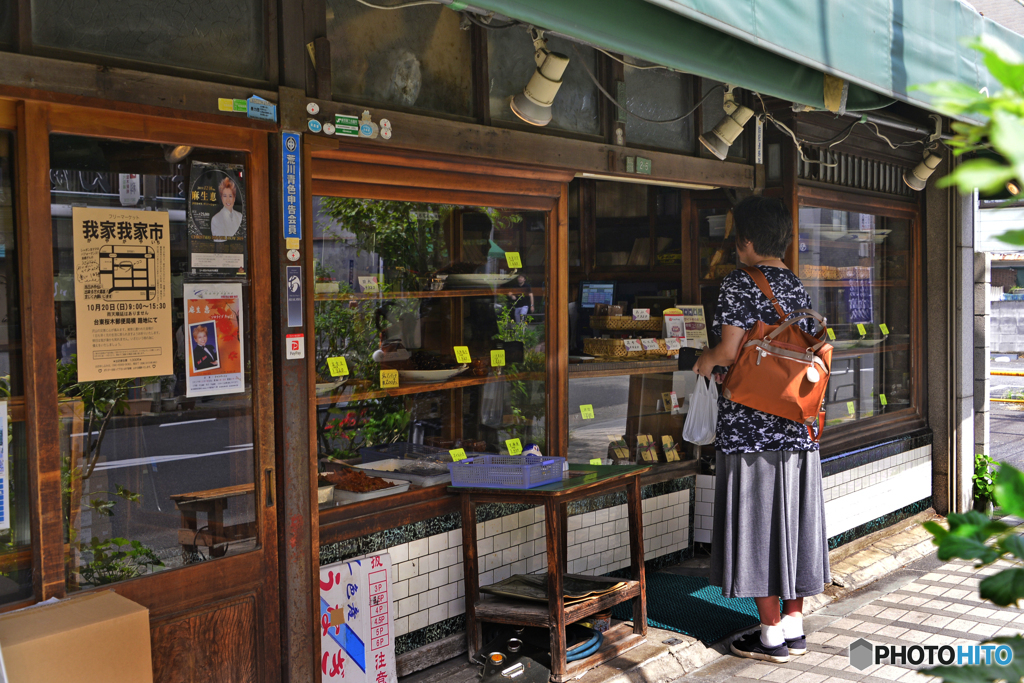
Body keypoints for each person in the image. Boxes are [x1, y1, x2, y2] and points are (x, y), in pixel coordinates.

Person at [692, 196, 830, 664]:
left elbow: (730, 353)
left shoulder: (737, 282)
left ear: (746, 241)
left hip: (751, 427)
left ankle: (770, 636)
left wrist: (703, 359)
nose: (734, 245)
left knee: (757, 527)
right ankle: (794, 625)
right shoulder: (794, 283)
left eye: (736, 237)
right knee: (791, 525)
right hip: (796, 424)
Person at [210, 176, 243, 242]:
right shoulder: (215, 219)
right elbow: (219, 243)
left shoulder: (240, 216)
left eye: (230, 196)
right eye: (225, 196)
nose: (228, 200)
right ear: (221, 198)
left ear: (234, 198)